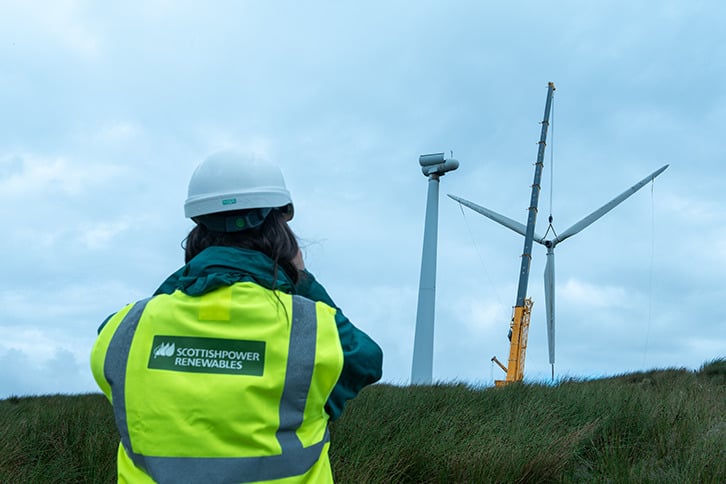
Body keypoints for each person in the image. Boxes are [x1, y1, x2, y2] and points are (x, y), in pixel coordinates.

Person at [90, 150, 383, 483]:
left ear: (197, 231)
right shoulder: (313, 329)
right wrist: (301, 280)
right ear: (280, 234)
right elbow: (367, 360)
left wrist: (195, 273)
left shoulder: (123, 331)